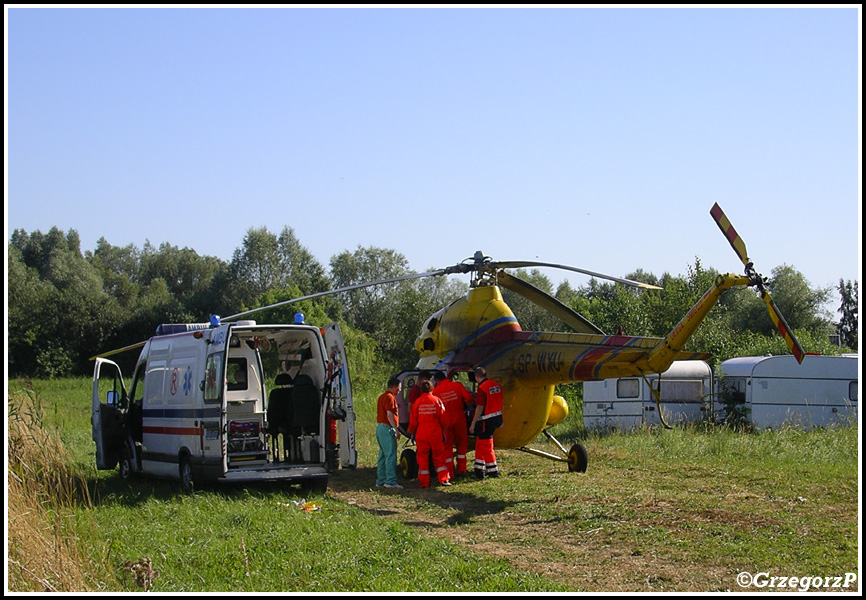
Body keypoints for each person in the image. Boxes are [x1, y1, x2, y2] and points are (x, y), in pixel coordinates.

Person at [408, 379, 451, 488]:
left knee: (422, 458)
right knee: (439, 456)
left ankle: (424, 483)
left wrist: (411, 432)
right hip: (435, 432)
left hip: (421, 432)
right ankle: (444, 479)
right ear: (432, 388)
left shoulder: (417, 402)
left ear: (421, 390)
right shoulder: (437, 401)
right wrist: (443, 430)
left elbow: (413, 421)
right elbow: (444, 419)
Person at [432, 371, 473, 478]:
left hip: (445, 421)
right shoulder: (457, 386)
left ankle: (450, 472)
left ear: (436, 380)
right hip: (459, 418)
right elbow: (468, 398)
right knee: (462, 444)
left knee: (447, 447)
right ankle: (462, 470)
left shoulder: (436, 391)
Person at [469, 366, 504, 479]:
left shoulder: (482, 388)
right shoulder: (496, 385)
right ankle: (479, 470)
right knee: (480, 444)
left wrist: (473, 423)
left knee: (487, 446)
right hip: (496, 419)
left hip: (485, 421)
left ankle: (493, 471)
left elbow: (480, 407)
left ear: (477, 377)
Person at [375, 376, 403, 489]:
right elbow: (389, 415)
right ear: (394, 387)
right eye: (399, 388)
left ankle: (381, 480)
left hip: (380, 428)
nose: (399, 391)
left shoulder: (382, 397)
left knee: (382, 455)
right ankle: (390, 481)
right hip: (387, 428)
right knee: (391, 455)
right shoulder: (390, 398)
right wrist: (396, 429)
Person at [400, 370, 432, 436]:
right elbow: (410, 409)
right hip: (419, 422)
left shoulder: (421, 391)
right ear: (423, 379)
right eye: (427, 380)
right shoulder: (414, 391)